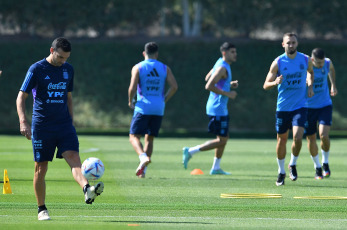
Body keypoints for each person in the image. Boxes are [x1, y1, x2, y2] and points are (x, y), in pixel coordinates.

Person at [16, 37, 104, 221]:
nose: (63, 61)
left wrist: (71, 122)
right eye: (61, 57)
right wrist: (23, 121)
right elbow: (21, 97)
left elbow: (69, 97)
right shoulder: (36, 69)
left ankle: (87, 189)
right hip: (43, 126)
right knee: (41, 168)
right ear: (51, 51)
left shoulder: (68, 69)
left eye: (66, 58)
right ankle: (42, 209)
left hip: (64, 125)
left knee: (74, 159)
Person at [263, 33, 314, 186]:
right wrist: (275, 82)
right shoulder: (278, 62)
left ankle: (292, 164)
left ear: (297, 44)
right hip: (283, 107)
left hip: (300, 106)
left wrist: (310, 85)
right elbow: (265, 84)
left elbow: (311, 72)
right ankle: (281, 172)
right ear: (283, 44)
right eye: (288, 43)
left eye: (293, 42)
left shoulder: (305, 59)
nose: (291, 45)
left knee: (298, 137)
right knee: (282, 139)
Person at [182, 42, 238, 175]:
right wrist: (228, 93)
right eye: (232, 52)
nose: (235, 54)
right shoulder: (222, 67)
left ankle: (216, 168)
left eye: (235, 52)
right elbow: (208, 85)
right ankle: (190, 151)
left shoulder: (220, 63)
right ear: (224, 53)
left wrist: (228, 85)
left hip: (220, 107)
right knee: (222, 140)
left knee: (223, 138)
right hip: (217, 107)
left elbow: (208, 78)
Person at [128, 42, 178, 178]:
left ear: (144, 53)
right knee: (149, 139)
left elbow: (132, 87)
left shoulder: (138, 67)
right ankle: (143, 171)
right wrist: (164, 100)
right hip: (158, 108)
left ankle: (142, 157)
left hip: (143, 107)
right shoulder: (164, 68)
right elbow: (174, 86)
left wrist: (130, 100)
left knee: (133, 137)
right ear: (157, 54)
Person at [305, 48, 337, 179]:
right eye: (319, 63)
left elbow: (332, 71)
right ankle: (317, 167)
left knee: (323, 135)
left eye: (323, 62)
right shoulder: (306, 66)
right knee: (311, 138)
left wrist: (333, 85)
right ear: (312, 60)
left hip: (324, 105)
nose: (321, 65)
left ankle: (325, 162)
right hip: (308, 107)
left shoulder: (327, 63)